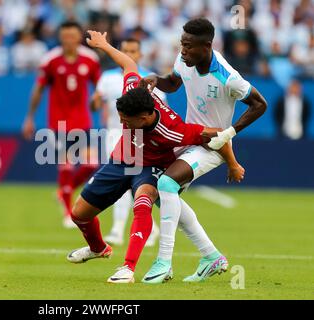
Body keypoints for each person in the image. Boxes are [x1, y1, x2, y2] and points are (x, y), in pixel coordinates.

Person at [67, 30, 242, 284]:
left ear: (145, 117)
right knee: (79, 214)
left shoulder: (174, 129)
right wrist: (104, 44)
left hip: (151, 167)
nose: (121, 121)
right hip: (122, 159)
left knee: (143, 201)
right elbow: (129, 63)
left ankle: (128, 268)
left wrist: (233, 163)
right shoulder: (133, 91)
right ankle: (98, 249)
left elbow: (217, 134)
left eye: (126, 120)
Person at [140, 18, 267, 283]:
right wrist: (156, 79)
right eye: (181, 44)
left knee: (166, 183)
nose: (183, 51)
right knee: (163, 194)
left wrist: (228, 134)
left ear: (207, 46)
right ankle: (211, 256)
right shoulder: (184, 60)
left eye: (188, 46)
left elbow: (259, 104)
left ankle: (163, 262)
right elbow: (173, 83)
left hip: (212, 148)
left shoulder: (228, 77)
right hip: (188, 139)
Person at [22, 21, 101, 228]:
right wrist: (30, 117)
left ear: (78, 37)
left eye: (72, 36)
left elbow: (99, 88)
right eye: (64, 36)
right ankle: (68, 212)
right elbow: (38, 90)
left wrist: (98, 102)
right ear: (60, 37)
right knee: (66, 166)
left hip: (83, 120)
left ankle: (63, 192)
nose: (68, 40)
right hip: (59, 122)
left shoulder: (90, 59)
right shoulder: (51, 60)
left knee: (90, 165)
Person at [90, 37, 164, 247]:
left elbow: (158, 111)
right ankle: (150, 228)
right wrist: (94, 102)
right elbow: (95, 104)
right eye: (125, 50)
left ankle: (117, 228)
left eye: (133, 51)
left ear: (140, 54)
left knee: (132, 181)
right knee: (126, 181)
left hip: (140, 137)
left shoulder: (149, 78)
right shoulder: (107, 77)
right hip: (114, 133)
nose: (129, 55)